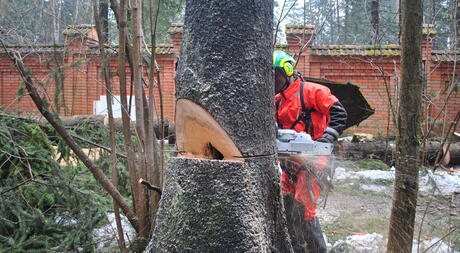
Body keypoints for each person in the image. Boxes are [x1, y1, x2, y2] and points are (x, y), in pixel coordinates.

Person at [273, 50, 347, 253]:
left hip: (313, 162)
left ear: (288, 71)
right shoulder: (277, 100)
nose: (274, 81)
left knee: (304, 212)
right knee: (288, 210)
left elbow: (339, 112)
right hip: (290, 164)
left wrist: (326, 138)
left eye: (277, 76)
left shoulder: (312, 91)